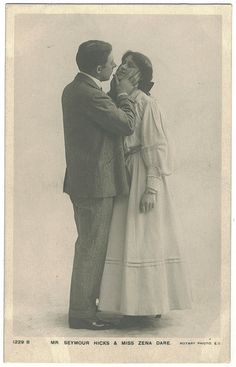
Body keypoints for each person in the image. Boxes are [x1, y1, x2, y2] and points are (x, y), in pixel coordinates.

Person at [98, 51, 192, 324]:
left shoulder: (148, 104)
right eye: (123, 64)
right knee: (124, 237)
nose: (123, 69)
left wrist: (151, 188)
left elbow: (156, 144)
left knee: (144, 237)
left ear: (141, 75)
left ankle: (150, 303)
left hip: (141, 173)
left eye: (130, 66)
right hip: (123, 174)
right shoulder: (118, 101)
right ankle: (128, 303)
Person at [62, 41, 140, 330]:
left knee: (88, 245)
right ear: (98, 68)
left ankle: (83, 307)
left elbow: (102, 114)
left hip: (83, 183)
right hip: (96, 185)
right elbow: (127, 123)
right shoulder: (91, 96)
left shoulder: (75, 89)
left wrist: (112, 94)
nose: (114, 68)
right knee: (91, 248)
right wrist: (123, 93)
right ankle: (81, 314)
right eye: (110, 64)